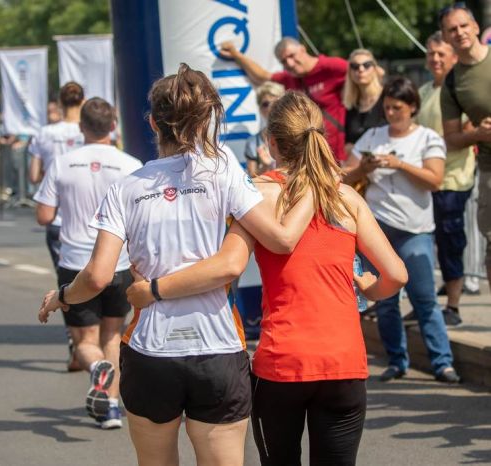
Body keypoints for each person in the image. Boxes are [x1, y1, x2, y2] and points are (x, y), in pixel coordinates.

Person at [38, 64, 316, 466]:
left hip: (151, 350)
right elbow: (282, 239)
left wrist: (61, 297)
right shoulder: (225, 173)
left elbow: (97, 276)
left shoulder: (128, 186)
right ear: (205, 118)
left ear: (153, 122)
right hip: (217, 347)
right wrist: (315, 175)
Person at [126, 90, 408, 466]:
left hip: (283, 363)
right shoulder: (345, 198)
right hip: (344, 362)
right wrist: (371, 288)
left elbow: (228, 262)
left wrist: (155, 285)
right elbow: (396, 275)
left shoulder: (258, 193)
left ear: (272, 142)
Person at [34, 97, 142, 429]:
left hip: (76, 261)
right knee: (112, 335)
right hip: (119, 263)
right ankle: (110, 407)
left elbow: (44, 215)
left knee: (85, 342)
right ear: (113, 127)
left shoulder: (64, 163)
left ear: (80, 128)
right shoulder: (131, 164)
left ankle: (96, 370)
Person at [345, 76, 460, 384]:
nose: (391, 113)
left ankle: (443, 363)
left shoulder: (427, 138)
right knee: (385, 302)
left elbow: (435, 180)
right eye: (387, 108)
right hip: (377, 230)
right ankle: (397, 361)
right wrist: (362, 169)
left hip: (415, 230)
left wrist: (400, 165)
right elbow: (344, 174)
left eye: (397, 107)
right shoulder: (372, 135)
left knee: (424, 299)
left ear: (412, 107)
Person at [411, 31, 477, 327]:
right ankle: (425, 303)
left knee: (451, 241)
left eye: (441, 54)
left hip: (452, 178)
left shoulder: (462, 90)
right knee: (423, 242)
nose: (435, 59)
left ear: (453, 57)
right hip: (424, 180)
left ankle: (453, 305)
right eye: (431, 54)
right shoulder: (423, 91)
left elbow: (465, 132)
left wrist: (435, 143)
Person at [29, 82, 86, 372]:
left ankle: (77, 345)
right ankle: (96, 343)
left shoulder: (45, 134)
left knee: (66, 284)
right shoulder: (90, 128)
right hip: (95, 218)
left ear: (60, 103)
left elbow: (34, 173)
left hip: (60, 221)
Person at [221, 37, 348, 162]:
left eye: (292, 56)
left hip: (336, 154)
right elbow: (262, 76)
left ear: (303, 49)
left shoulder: (330, 66)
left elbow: (363, 74)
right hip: (307, 157)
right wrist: (235, 54)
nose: (290, 63)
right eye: (284, 61)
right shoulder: (290, 78)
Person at [439, 4, 491, 300]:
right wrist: (478, 133)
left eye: (463, 26)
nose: (459, 33)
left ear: (474, 26)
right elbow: (452, 138)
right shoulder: (453, 82)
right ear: (446, 37)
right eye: (452, 29)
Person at [342, 49, 386, 156]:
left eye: (366, 65)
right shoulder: (350, 106)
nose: (361, 69)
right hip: (359, 168)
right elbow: (347, 145)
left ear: (375, 69)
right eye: (354, 66)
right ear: (350, 72)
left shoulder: (387, 98)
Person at [243, 82, 284, 176]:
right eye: (265, 104)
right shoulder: (253, 142)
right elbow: (251, 179)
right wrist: (265, 167)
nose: (271, 107)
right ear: (260, 109)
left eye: (276, 102)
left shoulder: (294, 134)